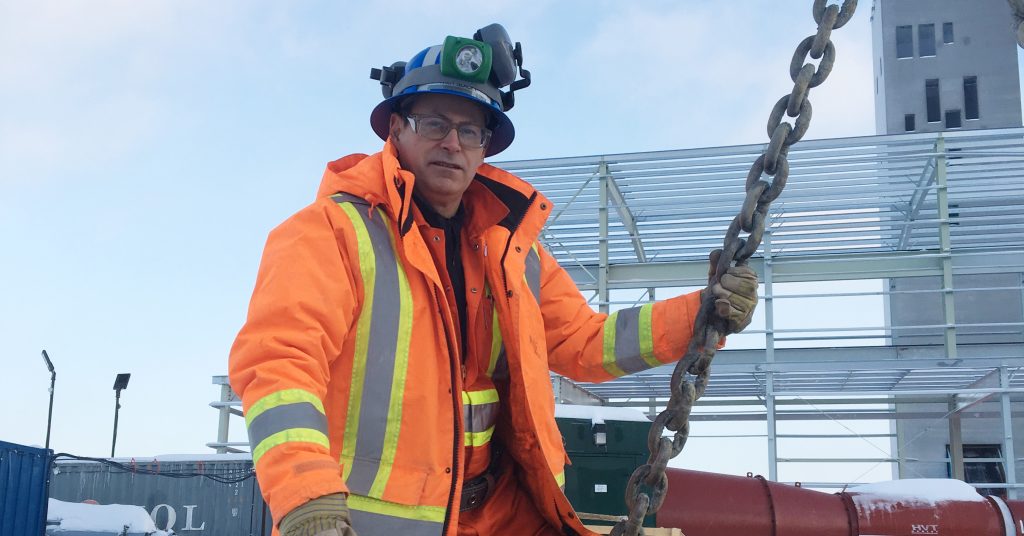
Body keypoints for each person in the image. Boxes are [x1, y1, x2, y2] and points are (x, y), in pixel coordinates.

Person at [229, 24, 758, 536]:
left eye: (470, 131)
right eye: (434, 123)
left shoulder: (513, 255)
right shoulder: (329, 233)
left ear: (485, 146)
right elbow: (278, 366)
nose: (452, 144)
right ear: (396, 129)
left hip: (499, 514)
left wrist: (701, 314)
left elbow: (583, 344)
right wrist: (306, 498)